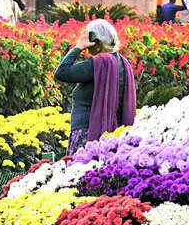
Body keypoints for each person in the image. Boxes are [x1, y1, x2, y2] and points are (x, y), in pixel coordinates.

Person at [54, 19, 137, 155]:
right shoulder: (122, 62)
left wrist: (78, 47)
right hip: (109, 134)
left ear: (97, 43)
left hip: (87, 135)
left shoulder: (99, 63)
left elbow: (62, 72)